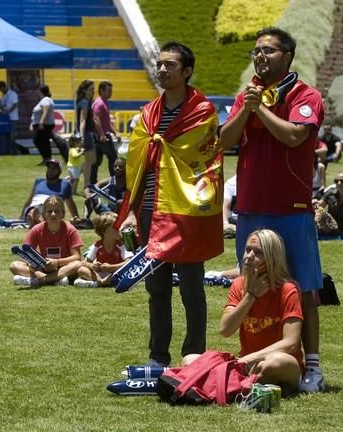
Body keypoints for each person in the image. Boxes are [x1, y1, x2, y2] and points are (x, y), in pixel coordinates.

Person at [219, 27, 325, 392]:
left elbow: (295, 135)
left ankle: (311, 365)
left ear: (287, 56)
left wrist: (259, 109)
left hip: (291, 208)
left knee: (305, 287)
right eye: (256, 51)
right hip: (250, 208)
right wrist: (246, 109)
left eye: (268, 50)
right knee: (253, 285)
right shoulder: (247, 96)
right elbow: (224, 141)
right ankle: (258, 359)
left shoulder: (304, 94)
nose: (260, 56)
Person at [119, 42, 223, 368]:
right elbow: (137, 164)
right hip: (151, 208)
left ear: (187, 71)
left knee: (192, 286)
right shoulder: (148, 114)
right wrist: (133, 213)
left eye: (170, 66)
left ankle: (194, 355)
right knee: (157, 287)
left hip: (186, 210)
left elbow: (206, 161)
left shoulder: (201, 112)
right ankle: (157, 356)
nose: (162, 70)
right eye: (159, 64)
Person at [184, 229, 304, 395]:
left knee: (273, 363)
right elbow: (225, 330)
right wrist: (251, 295)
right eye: (248, 249)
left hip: (281, 364)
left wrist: (248, 359)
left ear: (272, 258)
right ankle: (240, 386)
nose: (249, 256)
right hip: (247, 365)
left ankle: (224, 385)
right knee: (190, 359)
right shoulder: (239, 285)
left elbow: (290, 343)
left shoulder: (287, 289)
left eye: (258, 252)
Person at [10, 196, 83, 287]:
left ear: (62, 213)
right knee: (14, 265)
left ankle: (39, 281)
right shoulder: (36, 230)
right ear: (43, 214)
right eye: (49, 211)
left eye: (56, 211)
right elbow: (26, 252)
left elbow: (77, 257)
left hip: (64, 267)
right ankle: (56, 280)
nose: (53, 214)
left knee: (77, 265)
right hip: (43, 268)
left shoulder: (70, 230)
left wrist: (57, 262)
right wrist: (32, 264)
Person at [74, 212, 132, 288]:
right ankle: (102, 282)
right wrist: (92, 266)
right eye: (115, 226)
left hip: (115, 272)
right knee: (81, 270)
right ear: (104, 231)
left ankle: (96, 284)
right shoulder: (97, 245)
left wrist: (111, 267)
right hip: (100, 275)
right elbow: (85, 263)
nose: (120, 228)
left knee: (123, 273)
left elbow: (129, 262)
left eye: (120, 225)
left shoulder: (122, 245)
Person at [20, 159, 80, 227]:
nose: (50, 170)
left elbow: (70, 203)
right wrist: (21, 217)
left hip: (51, 208)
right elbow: (29, 201)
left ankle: (36, 220)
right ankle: (38, 219)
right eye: (49, 168)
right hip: (34, 207)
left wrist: (76, 217)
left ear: (59, 172)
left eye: (54, 168)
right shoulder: (39, 181)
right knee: (34, 210)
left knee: (44, 210)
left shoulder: (65, 184)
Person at [92, 81, 119, 184]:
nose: (111, 93)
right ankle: (115, 180)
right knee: (113, 157)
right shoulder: (99, 104)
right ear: (101, 91)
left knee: (96, 161)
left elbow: (106, 121)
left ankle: (93, 182)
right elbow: (96, 120)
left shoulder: (105, 102)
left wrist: (115, 132)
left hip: (102, 135)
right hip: (102, 137)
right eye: (108, 90)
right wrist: (102, 135)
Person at [315, 170, 343, 236]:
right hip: (326, 225)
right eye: (336, 181)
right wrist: (316, 207)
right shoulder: (331, 193)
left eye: (342, 181)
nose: (339, 183)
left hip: (339, 231)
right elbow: (319, 207)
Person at [75, 80, 97, 191]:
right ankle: (86, 185)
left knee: (91, 160)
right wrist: (82, 137)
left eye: (93, 89)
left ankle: (75, 175)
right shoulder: (84, 102)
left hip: (87, 132)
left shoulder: (85, 101)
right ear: (84, 90)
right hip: (86, 133)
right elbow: (82, 120)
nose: (93, 91)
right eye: (91, 89)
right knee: (89, 161)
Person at [31, 85, 56, 164]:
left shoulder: (45, 100)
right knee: (45, 141)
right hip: (45, 124)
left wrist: (41, 122)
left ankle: (46, 158)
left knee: (37, 141)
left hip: (44, 125)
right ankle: (47, 159)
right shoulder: (46, 100)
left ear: (40, 91)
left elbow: (45, 111)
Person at [0, 81, 19, 155]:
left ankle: (14, 150)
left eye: (1, 89)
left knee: (12, 134)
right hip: (6, 118)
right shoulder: (3, 96)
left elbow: (15, 105)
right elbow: (2, 105)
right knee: (6, 134)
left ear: (4, 87)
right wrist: (0, 109)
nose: (1, 91)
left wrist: (8, 111)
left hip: (13, 117)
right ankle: (8, 150)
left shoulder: (13, 94)